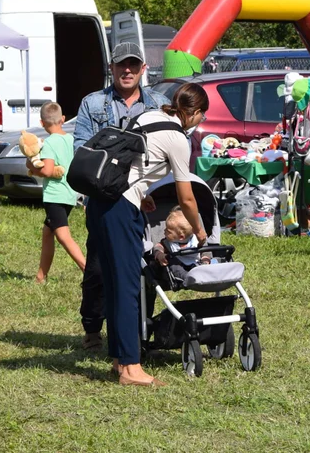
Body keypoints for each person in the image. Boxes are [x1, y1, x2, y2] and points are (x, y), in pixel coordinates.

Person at [88, 82, 210, 387]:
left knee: (116, 285)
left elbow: (130, 163)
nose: (200, 121)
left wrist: (141, 194)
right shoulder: (178, 139)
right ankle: (131, 368)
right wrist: (200, 230)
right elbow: (187, 198)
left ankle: (119, 361)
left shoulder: (149, 115)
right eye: (201, 115)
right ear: (194, 113)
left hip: (100, 203)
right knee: (130, 288)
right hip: (120, 209)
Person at [73, 42, 170, 352]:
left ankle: (140, 328)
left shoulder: (159, 103)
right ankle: (92, 326)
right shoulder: (93, 104)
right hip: (105, 198)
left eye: (133, 65)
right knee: (100, 267)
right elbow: (82, 153)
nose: (126, 70)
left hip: (148, 198)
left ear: (143, 68)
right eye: (120, 65)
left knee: (148, 262)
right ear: (111, 69)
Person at [28, 102, 85, 284]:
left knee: (62, 235)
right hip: (69, 193)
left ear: (42, 123)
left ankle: (88, 270)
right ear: (63, 119)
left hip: (55, 195)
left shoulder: (49, 143)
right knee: (48, 232)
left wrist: (30, 165)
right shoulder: (70, 139)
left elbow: (47, 170)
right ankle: (41, 276)